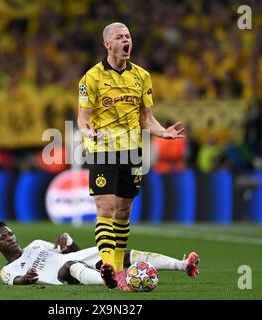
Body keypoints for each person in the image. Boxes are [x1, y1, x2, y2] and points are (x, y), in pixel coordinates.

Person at [76, 22, 195, 291]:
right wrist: (88, 133)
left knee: (123, 212)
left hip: (132, 152)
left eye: (128, 36)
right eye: (119, 37)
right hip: (103, 151)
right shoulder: (91, 78)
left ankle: (118, 270)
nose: (126, 40)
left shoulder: (142, 76)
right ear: (108, 44)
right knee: (105, 208)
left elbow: (147, 118)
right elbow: (83, 119)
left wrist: (163, 132)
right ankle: (109, 268)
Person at [0, 221, 200, 286]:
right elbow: (16, 280)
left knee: (120, 253)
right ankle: (108, 280)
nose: (10, 238)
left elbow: (72, 251)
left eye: (11, 233)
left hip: (72, 259)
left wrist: (67, 240)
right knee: (71, 267)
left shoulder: (36, 244)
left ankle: (183, 266)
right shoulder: (7, 269)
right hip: (60, 274)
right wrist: (27, 278)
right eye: (3, 238)